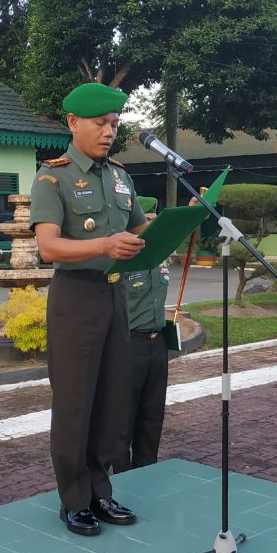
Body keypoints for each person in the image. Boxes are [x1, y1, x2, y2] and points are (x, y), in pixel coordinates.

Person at [30, 81, 147, 536]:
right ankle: (74, 499)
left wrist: (179, 227)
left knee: (113, 399)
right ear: (73, 122)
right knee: (76, 402)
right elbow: (48, 246)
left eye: (114, 124)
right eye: (100, 123)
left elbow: (140, 228)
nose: (109, 132)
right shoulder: (52, 177)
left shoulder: (120, 176)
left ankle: (102, 491)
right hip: (76, 299)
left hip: (117, 295)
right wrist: (102, 244)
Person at [114, 196, 171, 472]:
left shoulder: (160, 259)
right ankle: (122, 479)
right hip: (128, 346)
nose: (148, 229)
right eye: (144, 222)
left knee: (152, 416)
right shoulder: (122, 264)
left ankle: (148, 472)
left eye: (152, 222)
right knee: (122, 420)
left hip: (157, 344)